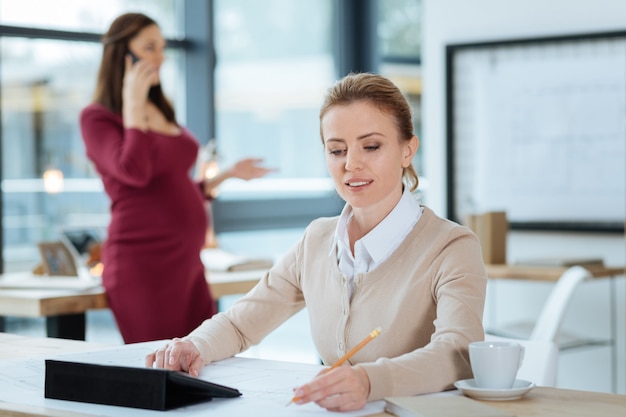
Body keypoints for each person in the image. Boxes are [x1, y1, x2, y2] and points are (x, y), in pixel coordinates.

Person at [146, 73, 487, 411]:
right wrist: (195, 345)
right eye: (337, 150)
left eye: (371, 146)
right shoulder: (318, 239)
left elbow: (458, 352)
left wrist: (370, 382)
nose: (351, 164)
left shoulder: (452, 247)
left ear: (407, 150)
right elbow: (241, 324)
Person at [80, 13, 272, 344]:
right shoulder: (98, 118)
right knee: (161, 370)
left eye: (162, 48)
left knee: (207, 359)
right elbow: (134, 172)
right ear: (121, 55)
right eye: (149, 47)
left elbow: (169, 189)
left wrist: (224, 176)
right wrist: (132, 105)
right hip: (142, 265)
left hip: (187, 265)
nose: (160, 57)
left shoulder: (162, 109)